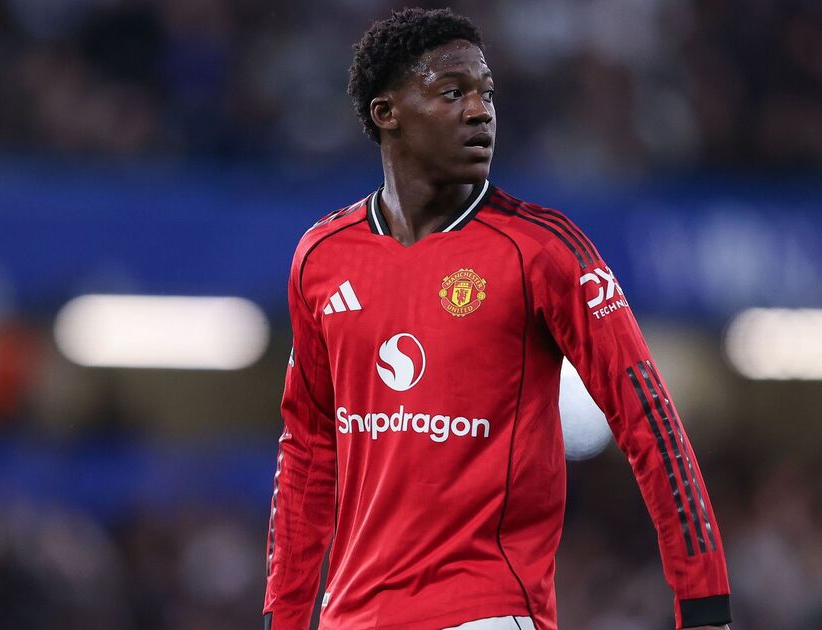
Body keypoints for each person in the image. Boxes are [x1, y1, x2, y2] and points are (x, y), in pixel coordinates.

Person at [263, 8, 730, 630]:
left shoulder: (544, 250)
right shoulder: (322, 257)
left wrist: (704, 603)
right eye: (453, 93)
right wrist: (284, 618)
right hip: (352, 616)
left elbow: (650, 421)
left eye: (487, 93)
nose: (480, 112)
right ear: (387, 112)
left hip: (486, 612)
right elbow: (308, 453)